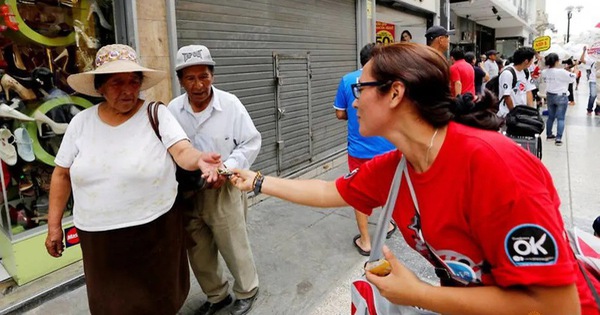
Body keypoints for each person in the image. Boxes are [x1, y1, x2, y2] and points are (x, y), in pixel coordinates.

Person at [229, 43, 600, 315]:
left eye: (361, 89)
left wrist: (418, 294)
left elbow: (558, 306)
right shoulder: (397, 168)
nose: (353, 102)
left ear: (395, 93)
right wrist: (258, 180)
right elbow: (330, 190)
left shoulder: (495, 166)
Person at [44, 44, 222, 314]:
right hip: (100, 239)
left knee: (158, 299)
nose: (127, 90)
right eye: (117, 82)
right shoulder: (81, 123)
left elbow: (181, 150)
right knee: (110, 302)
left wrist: (198, 159)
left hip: (154, 230)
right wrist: (54, 226)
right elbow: (61, 173)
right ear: (100, 87)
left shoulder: (156, 114)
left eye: (133, 82)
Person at [168, 45, 261, 315]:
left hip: (224, 187)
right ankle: (217, 295)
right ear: (180, 80)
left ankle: (247, 290)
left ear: (213, 76)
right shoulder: (173, 110)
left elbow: (251, 141)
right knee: (197, 249)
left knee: (233, 242)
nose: (198, 85)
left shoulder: (230, 104)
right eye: (190, 78)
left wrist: (227, 170)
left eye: (204, 76)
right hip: (188, 190)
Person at [333, 43, 396, 256]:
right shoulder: (391, 81)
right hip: (388, 147)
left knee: (359, 192)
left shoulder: (347, 80)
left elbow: (340, 113)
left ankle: (366, 241)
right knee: (387, 186)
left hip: (360, 149)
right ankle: (386, 225)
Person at [541, 53, 576, 146]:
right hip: (561, 96)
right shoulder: (561, 72)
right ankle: (558, 138)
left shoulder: (544, 72)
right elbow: (572, 78)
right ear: (556, 61)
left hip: (550, 96)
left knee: (551, 117)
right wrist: (574, 70)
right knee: (561, 118)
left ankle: (549, 135)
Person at [497, 47, 536, 118]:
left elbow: (528, 91)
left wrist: (531, 112)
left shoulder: (525, 72)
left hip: (521, 113)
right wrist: (513, 114)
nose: (532, 63)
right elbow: (507, 96)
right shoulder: (508, 73)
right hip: (507, 114)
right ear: (526, 61)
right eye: (532, 60)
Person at [580, 46, 599, 115]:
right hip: (593, 80)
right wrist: (584, 51)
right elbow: (582, 60)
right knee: (593, 95)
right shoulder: (593, 61)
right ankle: (589, 109)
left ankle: (598, 110)